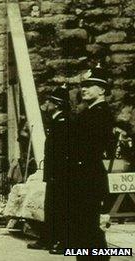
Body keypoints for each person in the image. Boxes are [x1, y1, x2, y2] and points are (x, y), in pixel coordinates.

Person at [69, 63, 113, 260]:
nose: (84, 89)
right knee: (84, 231)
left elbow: (89, 149)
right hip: (84, 175)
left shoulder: (100, 113)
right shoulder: (90, 112)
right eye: (83, 85)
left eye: (90, 85)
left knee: (90, 231)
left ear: (102, 90)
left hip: (89, 176)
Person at [27, 84, 72, 253]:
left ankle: (60, 241)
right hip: (54, 172)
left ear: (58, 104)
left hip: (60, 173)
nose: (47, 104)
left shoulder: (63, 122)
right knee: (51, 206)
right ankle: (48, 239)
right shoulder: (56, 121)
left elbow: (61, 152)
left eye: (50, 102)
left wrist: (55, 173)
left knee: (59, 207)